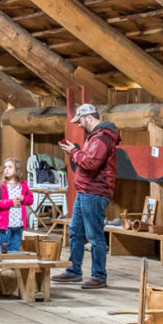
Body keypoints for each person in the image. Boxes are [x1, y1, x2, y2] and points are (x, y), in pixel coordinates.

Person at [53, 104, 121, 289]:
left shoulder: (102, 138)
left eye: (81, 121)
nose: (80, 125)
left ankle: (99, 276)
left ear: (89, 118)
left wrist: (74, 152)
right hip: (86, 191)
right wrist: (76, 151)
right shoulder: (97, 137)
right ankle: (74, 271)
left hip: (95, 192)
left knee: (94, 236)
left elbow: (91, 162)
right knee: (75, 231)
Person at [0, 158, 33, 253]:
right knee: (5, 249)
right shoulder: (1, 185)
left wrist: (24, 198)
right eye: (5, 167)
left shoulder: (23, 185)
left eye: (10, 167)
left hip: (19, 225)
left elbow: (30, 200)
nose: (6, 169)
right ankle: (5, 266)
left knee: (15, 249)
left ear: (17, 169)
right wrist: (10, 202)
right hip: (6, 225)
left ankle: (12, 267)